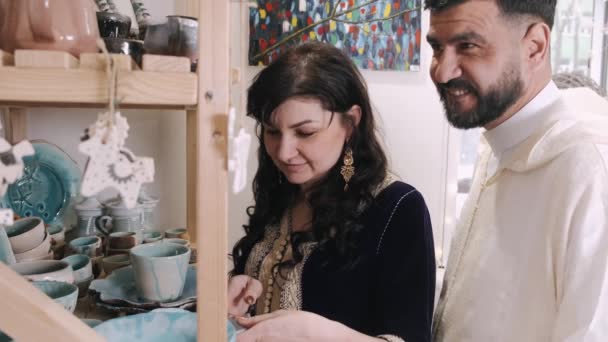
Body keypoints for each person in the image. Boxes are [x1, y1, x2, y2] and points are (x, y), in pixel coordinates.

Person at [227, 42, 436, 342]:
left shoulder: (397, 208)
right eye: (272, 131)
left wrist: (314, 332)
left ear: (350, 123)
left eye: (305, 133)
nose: (284, 152)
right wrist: (240, 287)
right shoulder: (283, 189)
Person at [424, 0, 608, 341]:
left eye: (468, 46)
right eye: (437, 47)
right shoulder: (496, 145)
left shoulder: (586, 171)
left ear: (535, 46)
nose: (442, 71)